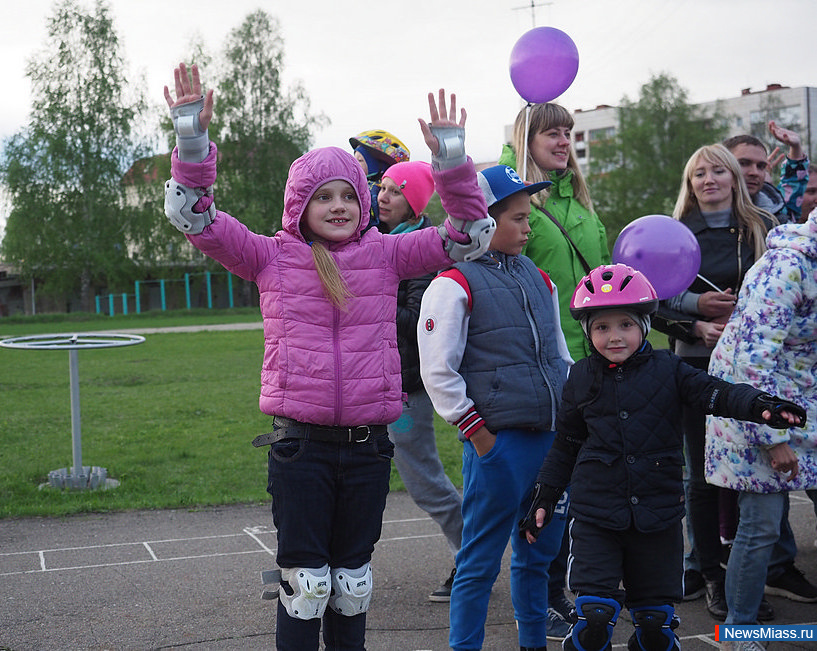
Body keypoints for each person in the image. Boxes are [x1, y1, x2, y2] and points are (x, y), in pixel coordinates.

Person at [162, 64, 495, 651]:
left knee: (352, 583)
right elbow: (195, 217)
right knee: (307, 583)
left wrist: (451, 163)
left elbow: (468, 234)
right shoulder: (270, 256)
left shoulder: (388, 254)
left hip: (367, 447)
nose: (339, 205)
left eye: (349, 194)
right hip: (301, 448)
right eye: (324, 196)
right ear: (299, 204)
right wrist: (192, 142)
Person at [519, 263, 805, 651]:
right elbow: (567, 441)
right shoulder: (581, 377)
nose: (614, 336)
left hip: (658, 513)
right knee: (595, 619)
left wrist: (761, 406)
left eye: (625, 324)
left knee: (655, 628)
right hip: (596, 514)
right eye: (601, 327)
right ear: (588, 332)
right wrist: (546, 493)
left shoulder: (670, 370)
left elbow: (716, 393)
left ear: (644, 324)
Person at [418, 163, 573, 651]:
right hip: (498, 447)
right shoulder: (452, 282)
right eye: (518, 218)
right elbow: (438, 370)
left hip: (550, 446)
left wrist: (570, 427)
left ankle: (533, 643)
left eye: (529, 217)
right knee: (479, 562)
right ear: (484, 219)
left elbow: (561, 357)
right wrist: (481, 437)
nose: (529, 227)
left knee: (537, 558)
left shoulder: (539, 277)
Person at [651, 143, 779, 622]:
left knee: (760, 474)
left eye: (718, 171)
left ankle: (752, 578)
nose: (709, 179)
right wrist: (696, 322)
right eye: (699, 173)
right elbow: (652, 303)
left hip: (756, 368)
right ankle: (711, 576)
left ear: (734, 178)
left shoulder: (762, 229)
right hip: (698, 366)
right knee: (703, 479)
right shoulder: (674, 233)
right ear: (690, 184)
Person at [498, 101, 611, 637]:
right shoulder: (510, 197)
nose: (563, 140)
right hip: (542, 368)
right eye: (551, 132)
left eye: (568, 132)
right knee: (547, 486)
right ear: (527, 137)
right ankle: (540, 594)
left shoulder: (581, 204)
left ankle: (576, 584)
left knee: (587, 482)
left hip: (594, 361)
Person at [707, 207, 817, 637]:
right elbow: (748, 361)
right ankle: (740, 631)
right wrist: (772, 439)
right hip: (753, 405)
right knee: (761, 524)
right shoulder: (787, 268)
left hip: (801, 398)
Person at [375, 160, 464, 602]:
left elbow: (416, 322)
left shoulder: (418, 251)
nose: (382, 196)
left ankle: (470, 554)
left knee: (423, 480)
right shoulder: (375, 242)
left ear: (413, 204)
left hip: (406, 393)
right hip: (368, 387)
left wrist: (369, 300)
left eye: (394, 191)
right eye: (382, 188)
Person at [723, 120, 809, 223]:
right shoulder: (704, 213)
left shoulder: (775, 214)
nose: (755, 172)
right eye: (743, 163)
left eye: (761, 166)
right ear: (721, 164)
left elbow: (792, 193)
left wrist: (796, 148)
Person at [349, 129, 410, 229]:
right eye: (354, 160)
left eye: (360, 160)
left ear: (377, 166)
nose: (354, 165)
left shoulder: (372, 191)